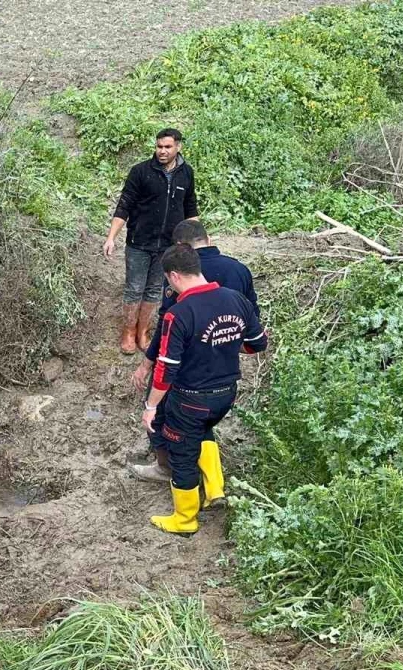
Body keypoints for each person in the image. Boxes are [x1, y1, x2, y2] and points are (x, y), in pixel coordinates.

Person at [128, 220, 261, 509]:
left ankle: (171, 480)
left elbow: (167, 333)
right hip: (223, 377)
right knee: (202, 423)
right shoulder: (238, 273)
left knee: (176, 432)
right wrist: (224, 341)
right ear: (207, 238)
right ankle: (215, 489)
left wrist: (149, 375)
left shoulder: (180, 285)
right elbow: (255, 334)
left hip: (186, 377)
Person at [103, 128, 199, 355]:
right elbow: (124, 206)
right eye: (159, 147)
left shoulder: (186, 174)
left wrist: (198, 241)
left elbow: (190, 208)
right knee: (134, 288)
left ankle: (142, 332)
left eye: (167, 147)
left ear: (178, 147)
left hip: (168, 245)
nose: (162, 151)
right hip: (139, 242)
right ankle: (128, 331)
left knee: (155, 289)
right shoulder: (140, 172)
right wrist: (111, 237)